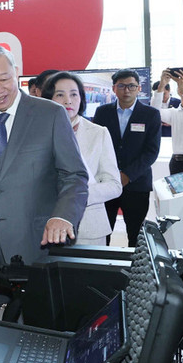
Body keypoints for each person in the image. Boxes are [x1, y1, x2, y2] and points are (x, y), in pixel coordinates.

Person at [0, 45, 89, 319]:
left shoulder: (50, 114)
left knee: (44, 326)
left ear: (17, 73)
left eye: (3, 79)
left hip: (39, 245)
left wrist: (63, 217)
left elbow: (74, 176)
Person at [41, 72, 122, 244]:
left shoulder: (98, 133)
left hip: (89, 228)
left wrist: (75, 197)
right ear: (48, 100)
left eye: (73, 94)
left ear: (81, 98)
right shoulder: (37, 134)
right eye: (60, 95)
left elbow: (114, 185)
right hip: (45, 226)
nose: (68, 101)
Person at [92, 69, 161, 246]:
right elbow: (96, 146)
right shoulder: (102, 113)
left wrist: (127, 175)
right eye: (121, 86)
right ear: (114, 89)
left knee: (135, 235)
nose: (126, 90)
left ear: (139, 88)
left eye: (131, 86)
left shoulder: (150, 114)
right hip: (105, 184)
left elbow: (151, 152)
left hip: (137, 185)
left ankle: (134, 272)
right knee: (101, 232)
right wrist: (111, 175)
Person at [151, 69, 183, 174]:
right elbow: (155, 113)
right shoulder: (174, 113)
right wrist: (161, 86)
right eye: (181, 85)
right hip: (176, 161)